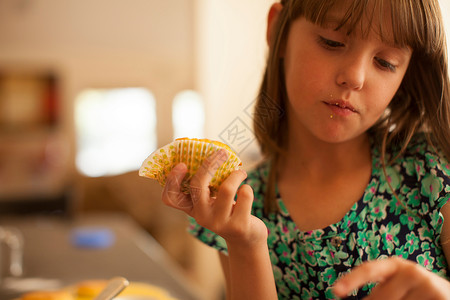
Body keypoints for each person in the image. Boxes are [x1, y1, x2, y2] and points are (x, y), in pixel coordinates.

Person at [161, 0, 450, 299]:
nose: (355, 76)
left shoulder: (432, 169)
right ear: (277, 30)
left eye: (386, 62)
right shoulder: (239, 203)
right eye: (332, 42)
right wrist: (246, 246)